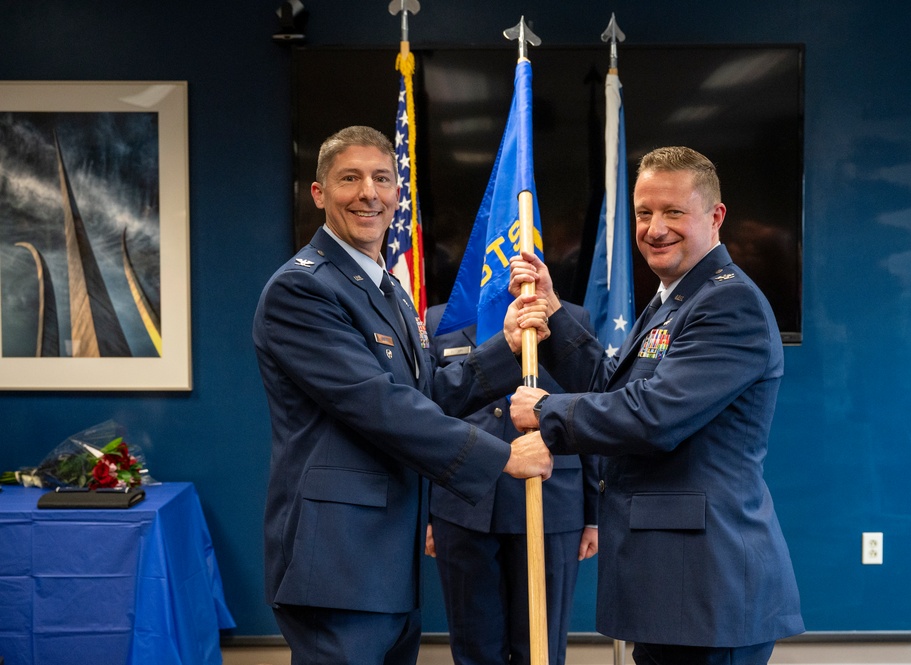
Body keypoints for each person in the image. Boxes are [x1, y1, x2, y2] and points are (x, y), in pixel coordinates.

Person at [252, 125, 553, 665]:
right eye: (350, 178)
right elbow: (380, 405)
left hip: (387, 560)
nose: (369, 192)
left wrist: (505, 347)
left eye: (382, 179)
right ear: (319, 194)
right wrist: (503, 456)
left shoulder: (386, 287)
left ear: (397, 193)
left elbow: (426, 391)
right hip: (339, 562)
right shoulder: (303, 288)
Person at [507, 146, 804, 665]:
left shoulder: (727, 304)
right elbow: (614, 387)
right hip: (672, 588)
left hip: (707, 593)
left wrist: (547, 413)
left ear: (715, 217)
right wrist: (554, 314)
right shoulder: (675, 297)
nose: (654, 227)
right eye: (644, 213)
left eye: (673, 212)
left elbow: (654, 417)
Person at [423, 301, 600, 665]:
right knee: (474, 650)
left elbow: (589, 412)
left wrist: (594, 515)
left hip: (552, 505)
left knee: (541, 650)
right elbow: (425, 419)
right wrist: (425, 512)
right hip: (462, 508)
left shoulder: (568, 317)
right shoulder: (443, 319)